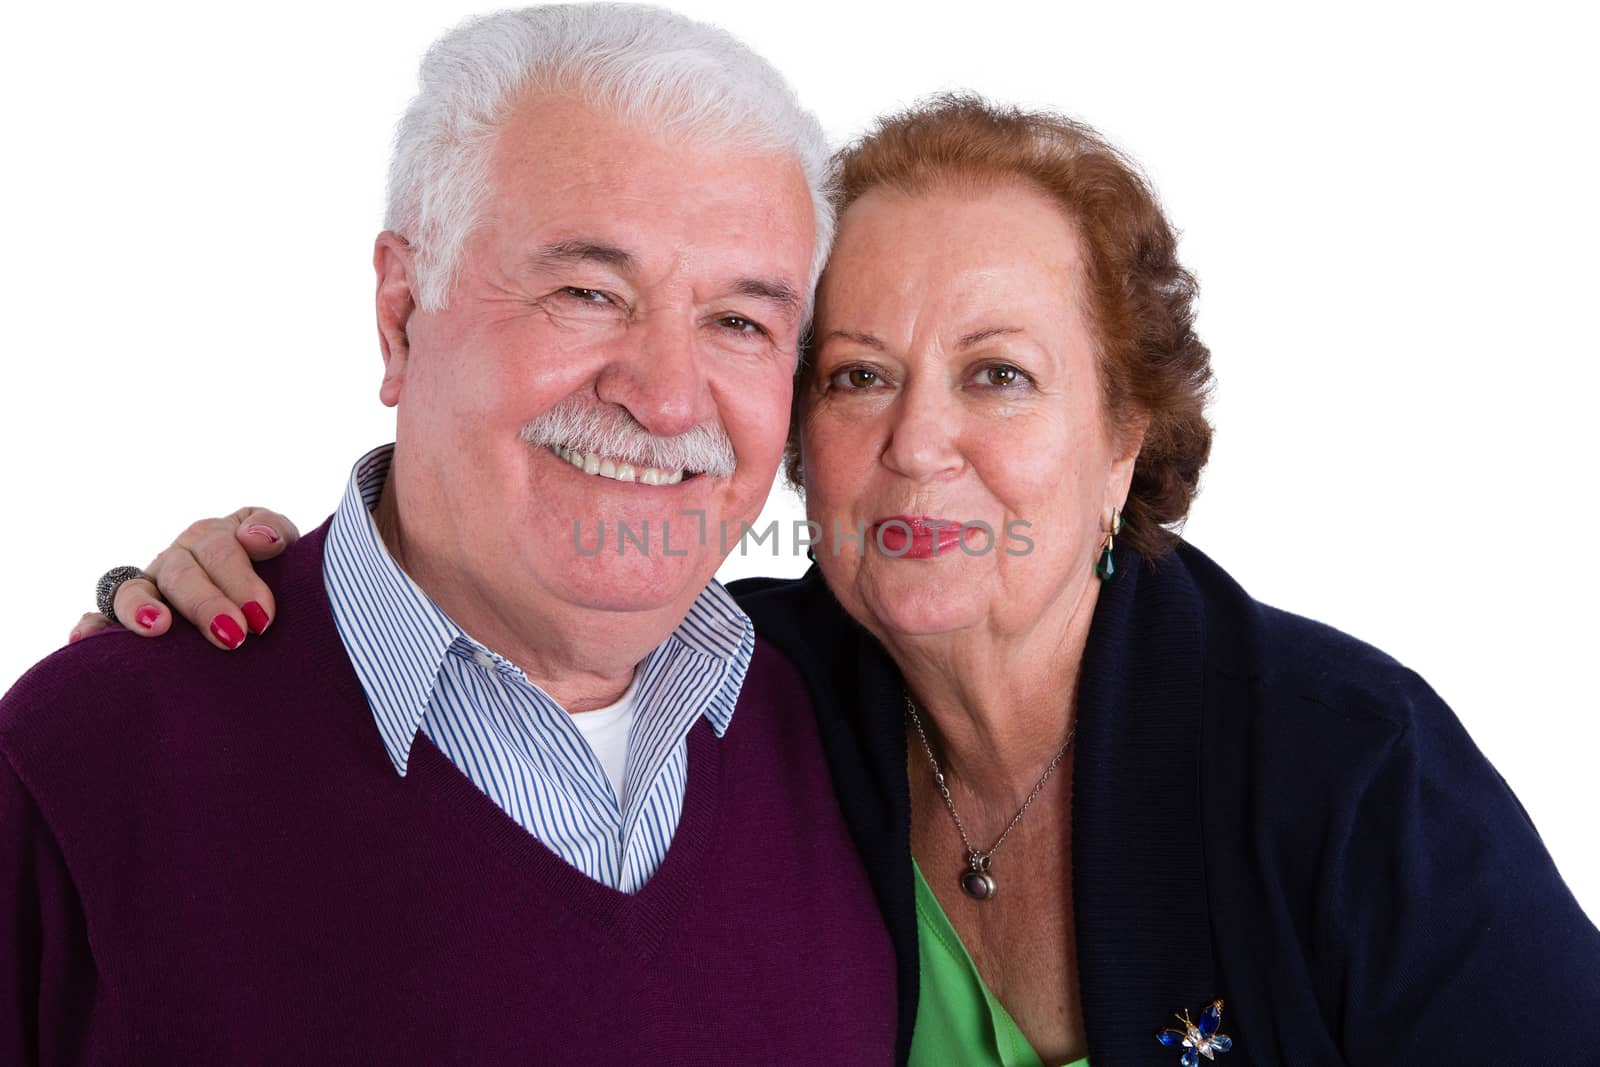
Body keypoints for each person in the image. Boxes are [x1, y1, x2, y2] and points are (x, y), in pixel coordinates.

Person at [82, 86, 1600, 1066]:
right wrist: (243, 612)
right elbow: (494, 578)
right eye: (860, 373)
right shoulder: (748, 690)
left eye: (998, 376)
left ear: (1129, 437)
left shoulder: (1346, 772)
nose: (918, 442)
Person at [0, 6, 903, 1064]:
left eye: (740, 322)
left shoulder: (843, 730)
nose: (666, 399)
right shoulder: (86, 761)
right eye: (587, 292)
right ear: (400, 312)